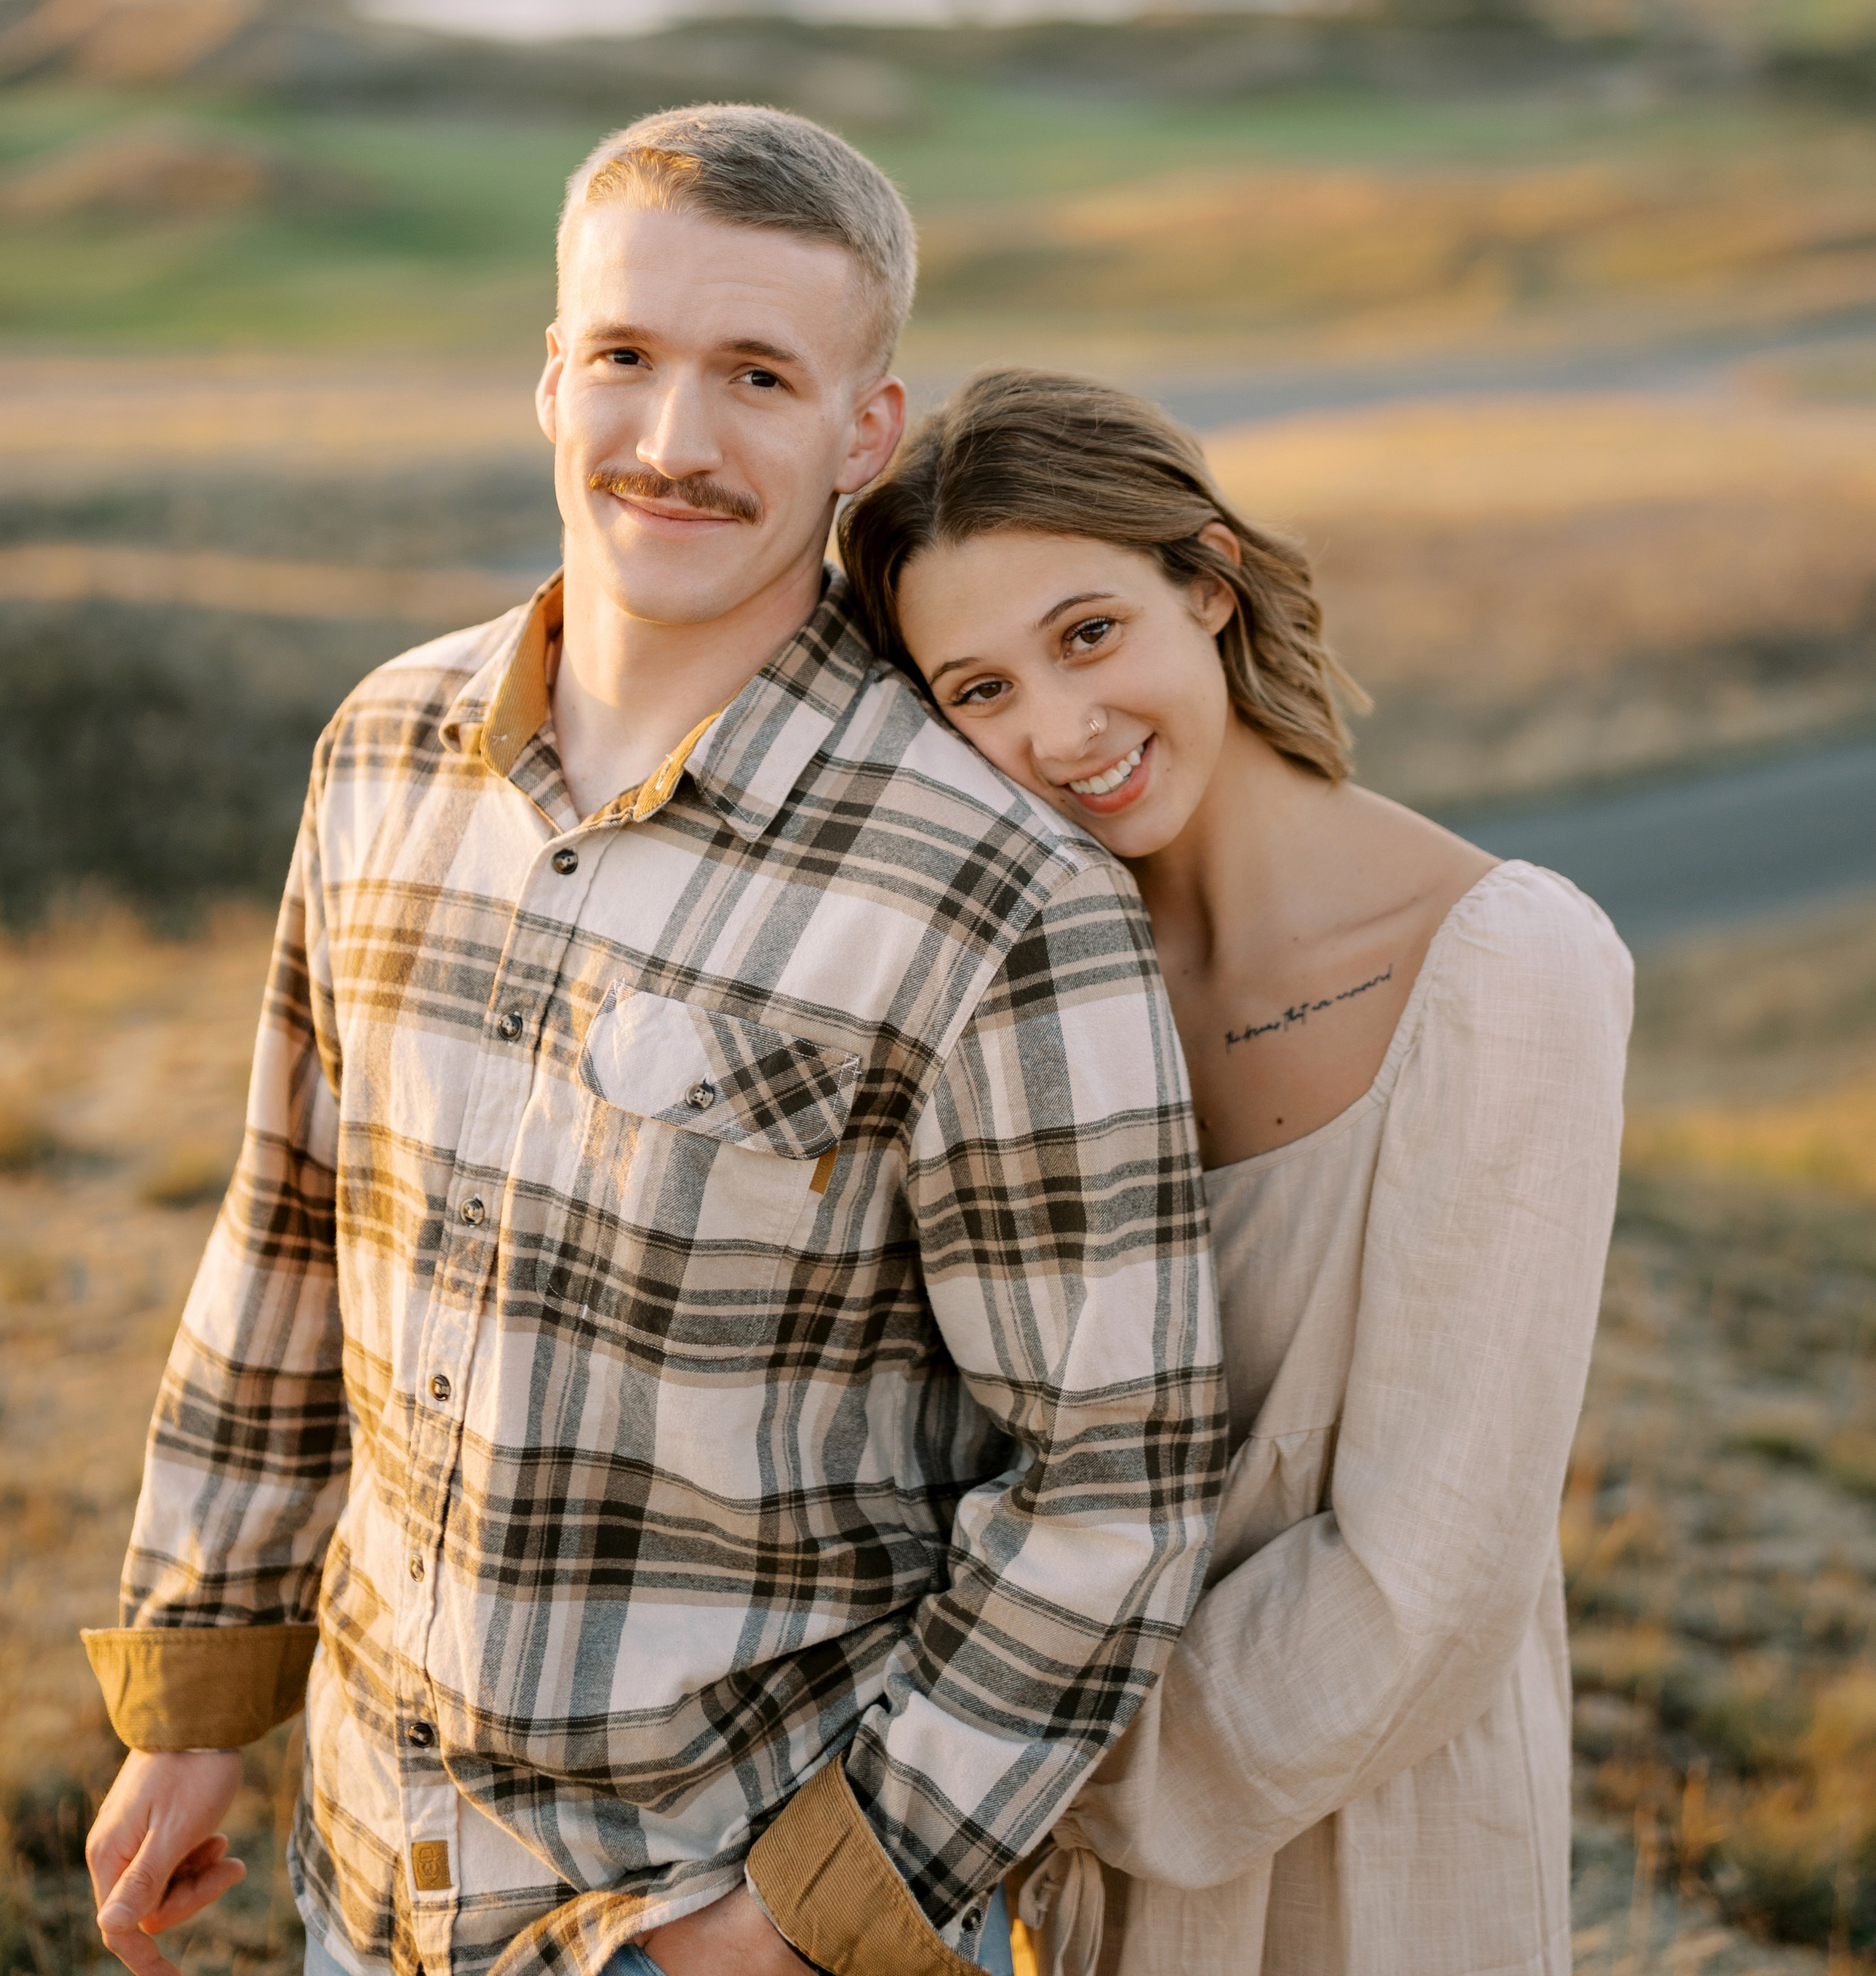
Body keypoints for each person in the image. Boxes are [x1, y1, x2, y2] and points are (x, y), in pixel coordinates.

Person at [81, 116, 1229, 1976]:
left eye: (758, 375)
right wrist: (196, 1694)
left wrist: (806, 1916)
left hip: (700, 1899)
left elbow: (1113, 1481)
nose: (675, 440)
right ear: (552, 375)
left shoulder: (992, 892)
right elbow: (289, 1232)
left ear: (862, 432)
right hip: (366, 1870)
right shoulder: (383, 747)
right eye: (625, 354)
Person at [839, 367, 1632, 1976]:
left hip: (1359, 1829)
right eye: (979, 690)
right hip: (1022, 1855)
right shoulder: (1021, 984)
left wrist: (1008, 1784)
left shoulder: (1502, 963)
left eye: (1087, 634)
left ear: (1207, 581)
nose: (1061, 733)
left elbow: (1431, 1574)